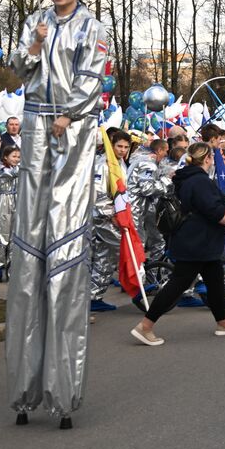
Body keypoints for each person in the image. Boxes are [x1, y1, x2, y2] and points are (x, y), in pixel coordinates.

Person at [5, 0, 109, 429]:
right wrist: (34, 45)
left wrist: (69, 114)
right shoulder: (37, 21)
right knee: (30, 240)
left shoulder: (92, 27)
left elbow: (91, 76)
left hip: (73, 126)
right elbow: (17, 69)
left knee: (64, 230)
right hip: (34, 120)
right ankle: (23, 389)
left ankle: (62, 391)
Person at [130, 142, 225, 346]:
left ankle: (223, 322)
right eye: (212, 157)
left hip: (198, 241)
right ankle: (145, 326)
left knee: (215, 280)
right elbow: (215, 212)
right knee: (178, 283)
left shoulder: (185, 177)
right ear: (207, 159)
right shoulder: (199, 181)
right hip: (197, 241)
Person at [89, 130, 131, 313]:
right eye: (119, 146)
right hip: (101, 218)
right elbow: (98, 196)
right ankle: (137, 284)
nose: (122, 150)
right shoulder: (102, 165)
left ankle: (94, 296)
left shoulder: (120, 163)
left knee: (105, 257)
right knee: (124, 247)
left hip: (115, 216)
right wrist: (112, 215)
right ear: (111, 145)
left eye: (126, 147)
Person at [0, 144, 21, 282]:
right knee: (2, 234)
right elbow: (13, 173)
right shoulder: (1, 167)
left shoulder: (18, 167)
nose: (16, 159)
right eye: (14, 156)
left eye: (19, 157)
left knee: (15, 236)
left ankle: (12, 268)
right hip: (5, 201)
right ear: (5, 157)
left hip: (18, 201)